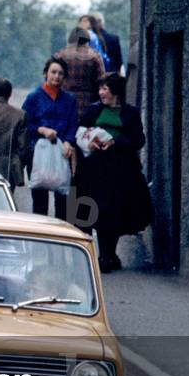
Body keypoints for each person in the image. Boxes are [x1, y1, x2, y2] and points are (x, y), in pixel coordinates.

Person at [73, 73, 152, 272]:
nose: (101, 93)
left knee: (113, 213)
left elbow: (138, 140)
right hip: (94, 170)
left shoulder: (131, 114)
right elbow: (80, 133)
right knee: (92, 212)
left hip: (121, 171)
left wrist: (115, 142)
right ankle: (95, 255)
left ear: (115, 92)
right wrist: (90, 142)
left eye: (105, 89)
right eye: (100, 89)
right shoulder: (92, 111)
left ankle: (108, 255)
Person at [21, 57, 78, 220]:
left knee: (63, 199)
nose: (57, 76)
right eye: (53, 72)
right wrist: (41, 129)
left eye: (61, 73)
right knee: (39, 200)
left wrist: (68, 141)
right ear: (46, 74)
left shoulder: (70, 100)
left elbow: (73, 124)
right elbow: (24, 125)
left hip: (61, 152)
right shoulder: (34, 97)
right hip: (37, 152)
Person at [55, 22, 105, 122]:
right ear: (86, 38)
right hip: (88, 102)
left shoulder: (60, 54)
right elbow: (102, 80)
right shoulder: (95, 55)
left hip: (64, 100)